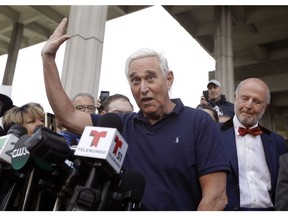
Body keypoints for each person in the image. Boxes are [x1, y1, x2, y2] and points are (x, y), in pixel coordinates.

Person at [41, 17, 230, 210]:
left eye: (150, 77)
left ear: (169, 79)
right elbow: (69, 116)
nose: (143, 88)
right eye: (135, 80)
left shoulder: (198, 123)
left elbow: (215, 197)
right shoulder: (120, 125)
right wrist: (48, 59)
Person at [220, 78, 287, 211]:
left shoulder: (277, 141)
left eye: (256, 101)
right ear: (235, 97)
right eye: (244, 98)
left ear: (265, 106)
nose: (249, 105)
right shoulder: (213, 135)